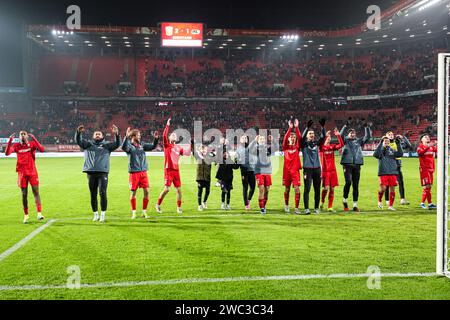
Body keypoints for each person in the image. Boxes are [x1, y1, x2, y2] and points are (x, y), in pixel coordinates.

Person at [75, 124, 121, 223]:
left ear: (102, 136)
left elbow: (117, 144)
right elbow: (78, 141)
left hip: (103, 172)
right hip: (91, 172)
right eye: (96, 134)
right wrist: (78, 133)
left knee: (103, 193)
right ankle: (95, 214)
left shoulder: (107, 145)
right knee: (93, 194)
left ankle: (103, 215)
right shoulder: (88, 144)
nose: (97, 135)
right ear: (93, 136)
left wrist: (117, 134)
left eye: (99, 134)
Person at [5, 131, 45, 224]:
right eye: (21, 134)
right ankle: (26, 215)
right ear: (19, 137)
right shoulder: (16, 146)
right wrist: (10, 141)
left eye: (24, 134)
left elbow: (42, 149)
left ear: (27, 136)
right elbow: (7, 153)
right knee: (24, 194)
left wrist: (34, 138)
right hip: (22, 173)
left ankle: (39, 213)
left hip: (32, 172)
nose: (22, 135)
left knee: (36, 192)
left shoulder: (32, 144)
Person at [122, 127, 159, 219]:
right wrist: (126, 137)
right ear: (133, 136)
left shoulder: (142, 145)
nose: (140, 137)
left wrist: (156, 139)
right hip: (134, 173)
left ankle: (144, 212)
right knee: (133, 193)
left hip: (143, 172)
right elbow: (123, 147)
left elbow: (153, 146)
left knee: (146, 191)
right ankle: (134, 212)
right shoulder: (129, 146)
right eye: (138, 135)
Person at [156, 118, 190, 213]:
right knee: (167, 189)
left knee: (179, 190)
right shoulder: (167, 145)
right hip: (168, 170)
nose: (174, 135)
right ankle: (158, 204)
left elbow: (187, 153)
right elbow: (164, 135)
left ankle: (179, 207)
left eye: (175, 135)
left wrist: (191, 144)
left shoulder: (178, 148)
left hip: (176, 171)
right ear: (170, 138)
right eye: (172, 135)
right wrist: (167, 125)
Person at [339, 120, 372, 212]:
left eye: (354, 133)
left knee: (356, 185)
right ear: (348, 134)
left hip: (357, 165)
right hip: (347, 164)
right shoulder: (345, 140)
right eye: (351, 133)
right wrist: (345, 126)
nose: (353, 134)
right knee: (348, 182)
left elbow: (368, 136)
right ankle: (345, 201)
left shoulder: (359, 141)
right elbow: (340, 136)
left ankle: (355, 205)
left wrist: (366, 127)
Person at [301, 119, 326, 214]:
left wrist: (323, 127)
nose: (311, 135)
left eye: (312, 133)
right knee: (307, 189)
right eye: (309, 133)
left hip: (317, 169)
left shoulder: (316, 144)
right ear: (307, 135)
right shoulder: (303, 144)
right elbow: (302, 138)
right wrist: (306, 129)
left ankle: (316, 208)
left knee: (317, 189)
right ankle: (306, 208)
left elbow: (323, 137)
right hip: (307, 170)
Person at [373, 136, 404, 211]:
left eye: (388, 141)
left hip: (393, 171)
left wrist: (398, 143)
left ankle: (390, 205)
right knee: (383, 188)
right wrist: (381, 145)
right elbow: (376, 155)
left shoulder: (392, 150)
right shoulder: (380, 149)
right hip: (383, 171)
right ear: (382, 142)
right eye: (385, 141)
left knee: (392, 189)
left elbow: (400, 154)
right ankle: (379, 201)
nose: (387, 142)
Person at [383, 131, 412, 206]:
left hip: (397, 165)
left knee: (401, 182)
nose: (391, 135)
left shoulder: (397, 142)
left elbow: (409, 146)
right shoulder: (385, 144)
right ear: (386, 136)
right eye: (389, 134)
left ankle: (402, 199)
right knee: (388, 184)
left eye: (392, 134)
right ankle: (387, 200)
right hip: (388, 165)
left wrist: (404, 137)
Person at [319, 128, 344, 212]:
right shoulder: (321, 148)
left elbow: (341, 145)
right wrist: (324, 136)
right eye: (328, 137)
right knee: (325, 188)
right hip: (325, 171)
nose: (329, 138)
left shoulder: (331, 147)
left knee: (332, 189)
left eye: (330, 136)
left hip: (333, 171)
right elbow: (320, 143)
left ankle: (330, 207)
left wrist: (338, 135)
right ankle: (322, 202)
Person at [249, 134, 274, 214]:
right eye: (260, 139)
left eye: (263, 139)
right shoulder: (255, 149)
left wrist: (273, 140)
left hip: (267, 171)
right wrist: (254, 141)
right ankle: (262, 208)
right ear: (258, 140)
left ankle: (264, 205)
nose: (262, 140)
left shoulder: (268, 148)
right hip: (259, 171)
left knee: (267, 190)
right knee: (261, 189)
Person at [282, 119, 302, 214]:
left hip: (295, 172)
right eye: (291, 137)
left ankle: (296, 208)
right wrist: (290, 129)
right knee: (287, 189)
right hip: (286, 172)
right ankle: (286, 206)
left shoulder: (297, 147)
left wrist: (297, 127)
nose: (292, 138)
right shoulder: (285, 147)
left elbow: (300, 137)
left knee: (297, 189)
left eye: (294, 137)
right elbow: (285, 138)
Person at [215, 141, 240, 210]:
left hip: (229, 179)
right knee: (223, 191)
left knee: (228, 192)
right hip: (223, 179)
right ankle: (222, 204)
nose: (226, 154)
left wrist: (237, 161)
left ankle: (228, 204)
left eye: (227, 154)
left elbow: (236, 167)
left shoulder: (230, 161)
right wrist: (223, 144)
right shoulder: (221, 161)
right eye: (224, 154)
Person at [236, 135, 256, 210]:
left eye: (246, 138)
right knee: (245, 188)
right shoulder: (238, 149)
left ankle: (248, 199)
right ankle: (246, 204)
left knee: (253, 187)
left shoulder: (251, 147)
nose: (244, 139)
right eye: (243, 138)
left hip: (251, 170)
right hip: (244, 171)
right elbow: (237, 160)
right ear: (240, 140)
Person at [417, 134, 437, 210]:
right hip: (424, 169)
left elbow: (439, 150)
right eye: (425, 137)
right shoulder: (420, 147)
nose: (427, 137)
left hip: (431, 169)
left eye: (428, 137)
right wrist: (428, 146)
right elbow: (420, 153)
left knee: (429, 187)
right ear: (421, 139)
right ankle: (426, 203)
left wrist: (438, 144)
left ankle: (427, 203)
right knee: (427, 186)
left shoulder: (432, 147)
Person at [194, 143, 214, 211]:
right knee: (200, 191)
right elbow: (193, 151)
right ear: (199, 150)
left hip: (207, 177)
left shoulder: (209, 157)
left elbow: (216, 158)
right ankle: (199, 205)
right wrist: (192, 143)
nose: (203, 151)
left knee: (208, 191)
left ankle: (204, 202)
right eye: (202, 149)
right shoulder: (198, 156)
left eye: (204, 149)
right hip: (200, 177)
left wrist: (213, 153)